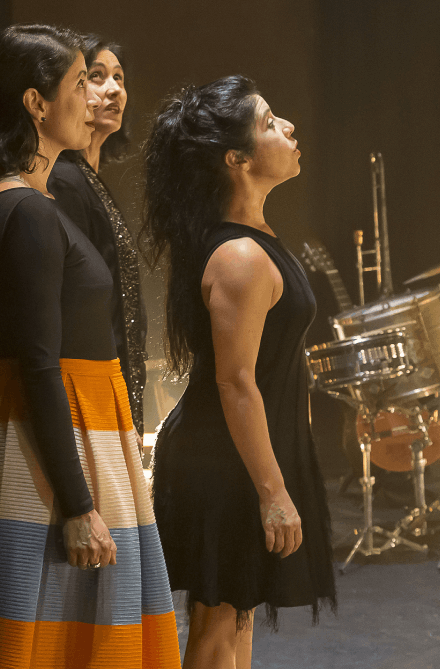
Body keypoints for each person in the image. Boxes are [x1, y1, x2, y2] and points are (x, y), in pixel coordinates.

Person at [0, 24, 181, 668]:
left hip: (77, 411)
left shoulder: (31, 202)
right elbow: (39, 360)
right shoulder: (27, 210)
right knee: (59, 624)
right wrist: (77, 505)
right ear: (35, 104)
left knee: (67, 619)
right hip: (61, 419)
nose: (93, 97)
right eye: (80, 83)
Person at [142, 75, 336, 669]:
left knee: (239, 613)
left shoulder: (256, 238)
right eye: (270, 122)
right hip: (224, 460)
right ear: (237, 159)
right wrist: (272, 491)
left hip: (247, 452)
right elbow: (235, 381)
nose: (289, 128)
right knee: (217, 622)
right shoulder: (240, 256)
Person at [47, 35, 148, 437]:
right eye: (97, 76)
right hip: (88, 392)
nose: (114, 89)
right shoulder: (65, 179)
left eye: (120, 78)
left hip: (112, 384)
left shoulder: (87, 178)